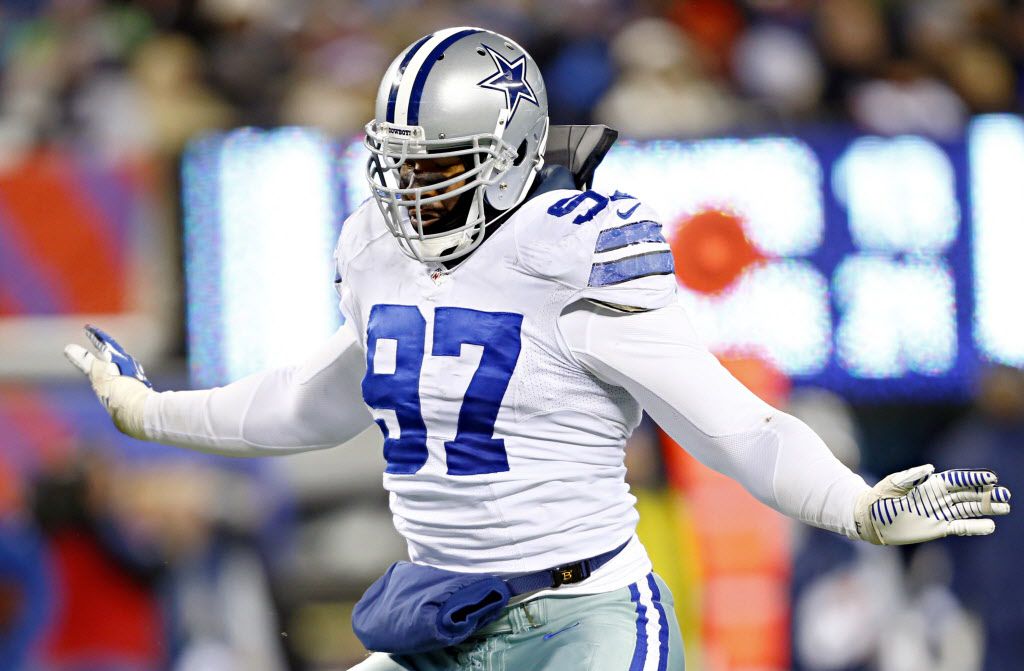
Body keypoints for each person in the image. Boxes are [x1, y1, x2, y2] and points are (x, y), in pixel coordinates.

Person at [64, 27, 1011, 671]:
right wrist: (151, 413)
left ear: (510, 157)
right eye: (396, 165)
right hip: (443, 612)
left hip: (583, 618)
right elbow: (310, 402)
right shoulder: (375, 248)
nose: (406, 193)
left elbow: (733, 425)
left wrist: (851, 502)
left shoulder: (571, 252)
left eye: (434, 170)